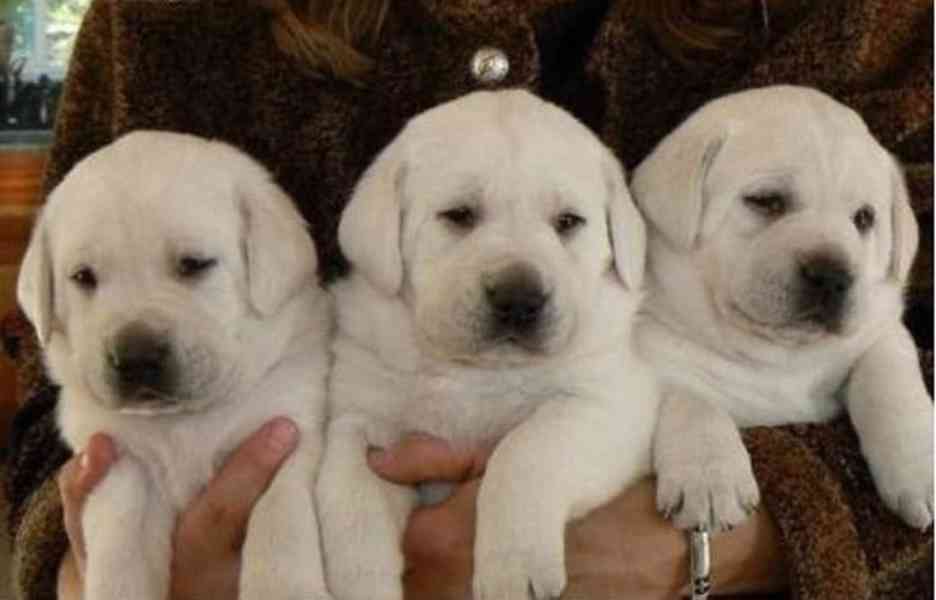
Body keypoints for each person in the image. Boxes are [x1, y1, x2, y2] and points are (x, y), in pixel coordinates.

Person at [2, 1, 931, 599]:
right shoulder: (170, 21)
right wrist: (111, 549)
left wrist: (746, 542)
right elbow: (58, 391)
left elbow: (909, 339)